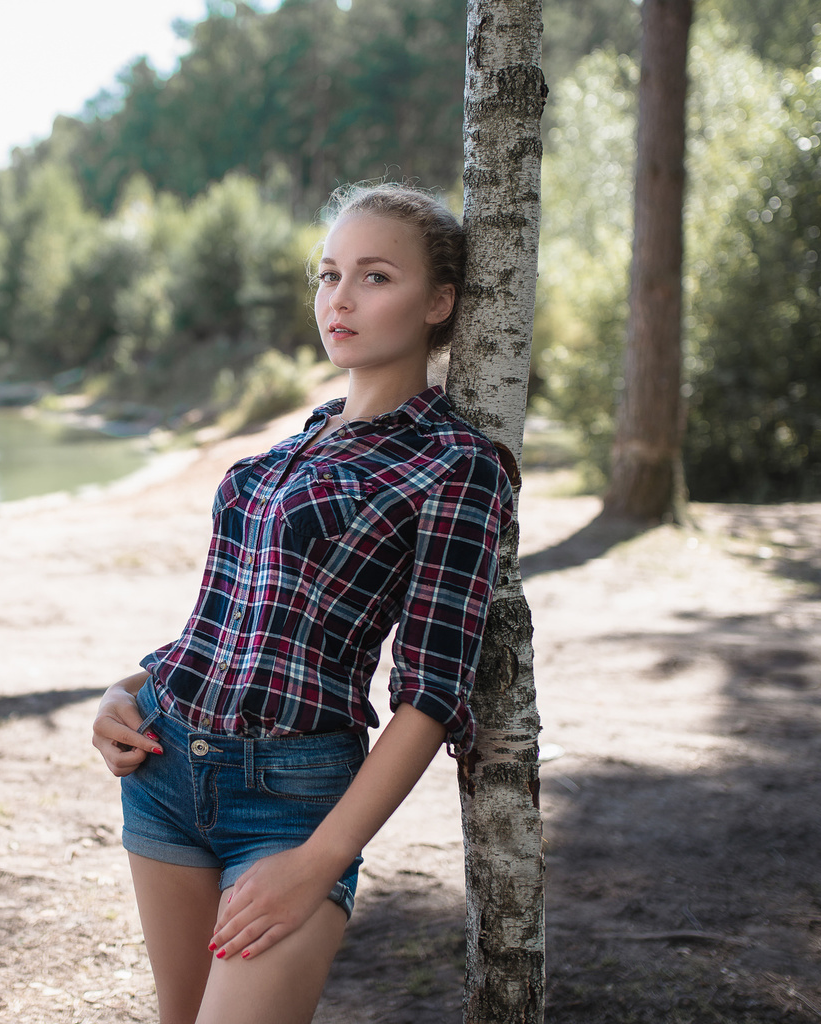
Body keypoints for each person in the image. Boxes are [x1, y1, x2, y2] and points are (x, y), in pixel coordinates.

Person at [91, 182, 514, 1024]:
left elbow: (431, 694)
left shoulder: (458, 464)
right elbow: (224, 622)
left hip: (289, 798)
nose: (341, 299)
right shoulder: (295, 442)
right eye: (328, 275)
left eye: (375, 277)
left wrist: (322, 859)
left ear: (439, 302)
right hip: (165, 768)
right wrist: (126, 691)